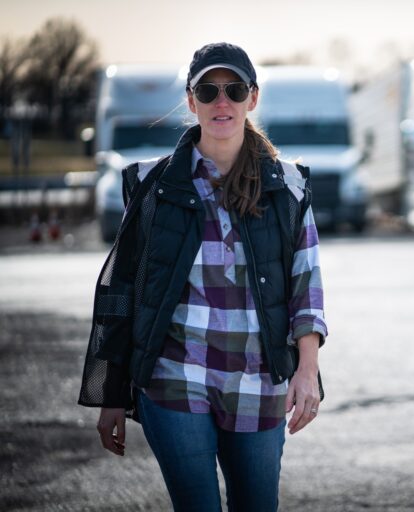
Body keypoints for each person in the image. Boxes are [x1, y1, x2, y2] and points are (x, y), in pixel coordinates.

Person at [77, 42, 327, 511]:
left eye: (233, 89)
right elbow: (122, 290)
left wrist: (308, 371)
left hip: (258, 380)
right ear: (191, 101)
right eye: (208, 91)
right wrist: (112, 392)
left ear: (252, 98)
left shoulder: (289, 187)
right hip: (176, 377)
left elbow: (305, 284)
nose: (221, 102)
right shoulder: (152, 183)